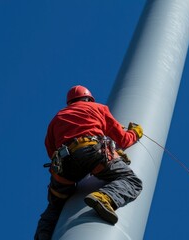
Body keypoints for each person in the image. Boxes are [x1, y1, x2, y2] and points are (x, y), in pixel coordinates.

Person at [34, 85, 144, 240]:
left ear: (70, 102)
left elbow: (51, 151)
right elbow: (123, 139)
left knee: (56, 205)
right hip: (93, 154)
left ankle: (42, 236)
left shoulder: (57, 118)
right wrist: (134, 133)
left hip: (64, 166)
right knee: (132, 181)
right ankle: (104, 197)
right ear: (89, 99)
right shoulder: (99, 108)